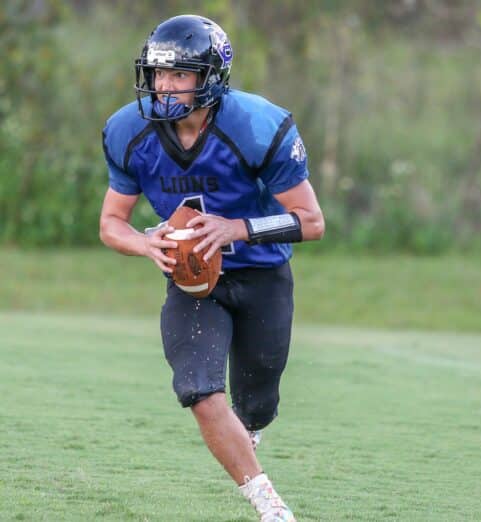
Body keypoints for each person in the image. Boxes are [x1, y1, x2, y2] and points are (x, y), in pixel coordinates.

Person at [100, 14, 324, 522]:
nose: (164, 87)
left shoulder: (255, 124)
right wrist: (145, 243)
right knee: (198, 388)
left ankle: (250, 428)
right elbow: (112, 223)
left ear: (210, 77)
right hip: (192, 281)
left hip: (262, 275)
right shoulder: (129, 131)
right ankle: (270, 506)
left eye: (180, 75)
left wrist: (236, 227)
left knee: (258, 399)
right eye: (158, 74)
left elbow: (312, 222)